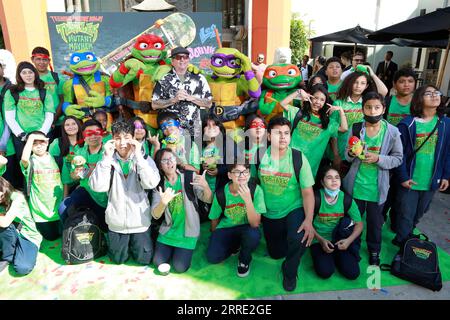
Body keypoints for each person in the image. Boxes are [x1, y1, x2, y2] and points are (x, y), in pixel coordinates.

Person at [342, 92, 403, 265]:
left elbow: (398, 158)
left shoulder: (392, 132)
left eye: (377, 107)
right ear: (362, 109)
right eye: (368, 107)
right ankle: (351, 247)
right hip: (356, 187)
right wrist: (352, 153)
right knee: (354, 220)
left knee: (375, 223)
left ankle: (374, 250)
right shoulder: (355, 128)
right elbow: (346, 156)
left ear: (383, 109)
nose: (372, 111)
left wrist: (379, 159)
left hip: (378, 189)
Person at [89, 121, 160, 265]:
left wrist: (139, 157)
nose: (122, 143)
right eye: (117, 138)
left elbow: (152, 183)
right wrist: (106, 158)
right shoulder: (106, 160)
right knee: (118, 259)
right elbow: (97, 186)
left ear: (134, 138)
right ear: (112, 139)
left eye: (127, 137)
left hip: (140, 222)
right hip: (117, 223)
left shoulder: (145, 159)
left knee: (144, 259)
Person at [257, 116, 315, 291]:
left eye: (286, 133)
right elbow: (253, 185)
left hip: (293, 207)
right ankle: (281, 245)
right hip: (269, 212)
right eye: (277, 133)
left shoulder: (298, 158)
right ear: (268, 136)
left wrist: (309, 220)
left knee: (299, 238)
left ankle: (290, 272)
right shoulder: (258, 156)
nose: (282, 137)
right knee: (276, 253)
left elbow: (307, 193)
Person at [393, 85, 450, 246]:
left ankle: (407, 237)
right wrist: (403, 177)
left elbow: (448, 152)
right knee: (406, 214)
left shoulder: (446, 124)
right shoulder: (408, 124)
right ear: (419, 99)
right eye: (429, 93)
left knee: (420, 212)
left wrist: (445, 175)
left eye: (437, 93)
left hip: (431, 180)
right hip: (410, 180)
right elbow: (399, 154)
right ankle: (403, 245)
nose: (435, 96)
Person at [151, 148, 212, 273]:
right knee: (158, 262)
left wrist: (205, 186)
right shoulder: (159, 185)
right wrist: (163, 203)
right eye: (165, 160)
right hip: (168, 230)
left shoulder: (189, 176)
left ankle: (179, 251)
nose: (169, 163)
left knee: (180, 267)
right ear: (160, 165)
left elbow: (208, 199)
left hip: (188, 230)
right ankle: (172, 249)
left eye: (171, 158)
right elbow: (155, 215)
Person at [206, 163, 265, 277]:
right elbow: (214, 219)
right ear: (229, 175)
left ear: (249, 174)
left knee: (253, 235)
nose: (242, 175)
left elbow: (255, 223)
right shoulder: (221, 193)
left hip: (247, 227)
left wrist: (248, 200)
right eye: (237, 172)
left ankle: (244, 259)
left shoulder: (256, 191)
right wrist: (215, 237)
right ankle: (236, 245)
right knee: (212, 257)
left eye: (245, 172)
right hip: (226, 227)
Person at [282, 84, 348, 177]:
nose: (317, 102)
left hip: (309, 169)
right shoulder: (298, 114)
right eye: (315, 98)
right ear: (309, 97)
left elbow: (344, 128)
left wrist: (341, 111)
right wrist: (299, 92)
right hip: (289, 162)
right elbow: (283, 104)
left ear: (325, 103)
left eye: (322, 100)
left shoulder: (327, 123)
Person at [311, 166, 363, 280]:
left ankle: (337, 257)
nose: (334, 180)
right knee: (325, 272)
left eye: (337, 177)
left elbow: (359, 224)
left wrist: (348, 241)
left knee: (353, 273)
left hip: (340, 239)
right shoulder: (315, 198)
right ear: (322, 182)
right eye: (329, 177)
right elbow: (307, 223)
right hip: (319, 240)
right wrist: (320, 240)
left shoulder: (346, 199)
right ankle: (328, 258)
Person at [381, 68, 417, 230]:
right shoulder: (388, 102)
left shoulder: (418, 104)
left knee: (402, 189)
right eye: (402, 81)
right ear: (395, 84)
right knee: (385, 187)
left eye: (410, 81)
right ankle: (380, 216)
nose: (406, 85)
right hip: (388, 152)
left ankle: (396, 220)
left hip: (409, 153)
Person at [152, 47, 212, 139]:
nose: (182, 60)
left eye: (185, 57)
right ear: (172, 61)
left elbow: (209, 103)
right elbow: (154, 104)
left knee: (193, 153)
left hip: (193, 130)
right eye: (178, 57)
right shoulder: (163, 79)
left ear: (188, 60)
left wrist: (193, 98)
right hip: (170, 130)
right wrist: (173, 100)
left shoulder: (199, 78)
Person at [58, 119, 107, 230]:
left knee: (105, 227)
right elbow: (73, 175)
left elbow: (97, 174)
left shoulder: (107, 151)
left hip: (105, 195)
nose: (93, 136)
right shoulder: (80, 152)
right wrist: (77, 174)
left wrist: (85, 171)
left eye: (97, 132)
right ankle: (70, 235)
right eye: (89, 134)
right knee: (63, 208)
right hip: (86, 190)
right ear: (84, 136)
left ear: (102, 134)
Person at [4, 61, 54, 164]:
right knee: (25, 166)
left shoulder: (44, 92)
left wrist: (41, 134)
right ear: (19, 75)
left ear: (35, 73)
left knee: (44, 164)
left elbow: (49, 115)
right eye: (24, 72)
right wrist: (22, 135)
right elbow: (10, 117)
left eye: (30, 72)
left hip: (42, 135)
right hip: (21, 137)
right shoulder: (12, 92)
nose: (28, 75)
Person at [20, 131, 63, 240]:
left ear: (47, 143)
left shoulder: (56, 159)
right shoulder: (30, 161)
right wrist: (31, 137)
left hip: (58, 208)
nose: (39, 146)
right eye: (34, 143)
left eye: (42, 142)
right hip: (40, 212)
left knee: (63, 235)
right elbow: (24, 159)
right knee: (51, 238)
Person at [0, 176, 42, 275]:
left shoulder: (17, 197)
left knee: (23, 268)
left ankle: (14, 251)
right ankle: (7, 256)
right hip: (10, 234)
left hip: (27, 235)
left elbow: (5, 222)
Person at [31, 46, 65, 142]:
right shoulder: (29, 78)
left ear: (49, 60)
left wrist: (53, 120)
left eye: (44, 60)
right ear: (32, 59)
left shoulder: (57, 78)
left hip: (58, 123)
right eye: (38, 59)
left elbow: (63, 100)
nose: (41, 62)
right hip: (38, 124)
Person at [48, 116, 82, 197]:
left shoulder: (86, 142)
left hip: (82, 182)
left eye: (74, 124)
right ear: (63, 128)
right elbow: (51, 163)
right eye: (67, 125)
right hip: (61, 183)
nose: (71, 127)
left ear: (78, 125)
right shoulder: (57, 142)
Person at [0, 62, 20, 189]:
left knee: (12, 180)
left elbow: (10, 119)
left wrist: (2, 144)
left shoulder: (13, 89)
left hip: (10, 143)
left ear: (2, 69)